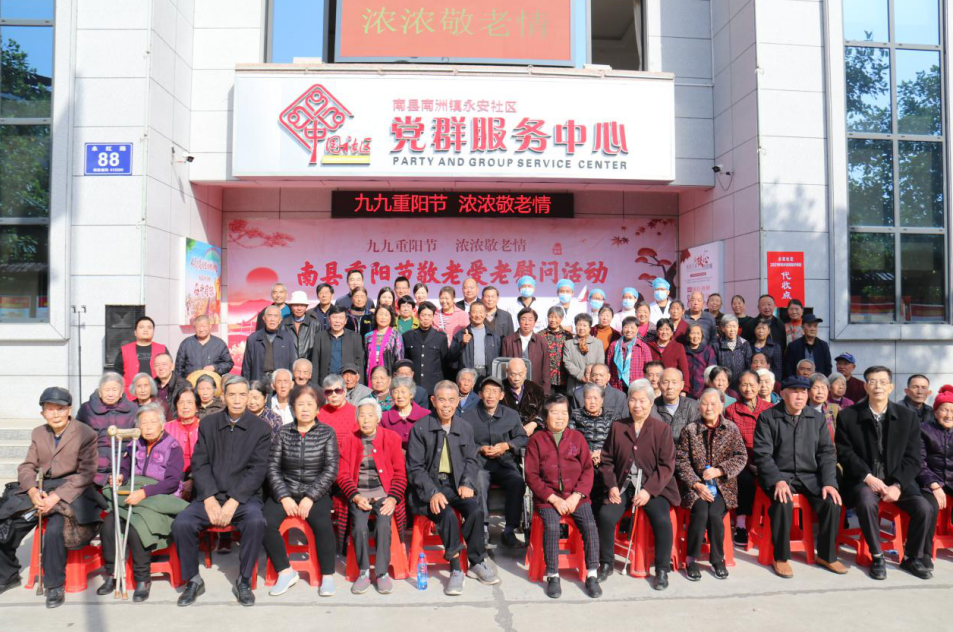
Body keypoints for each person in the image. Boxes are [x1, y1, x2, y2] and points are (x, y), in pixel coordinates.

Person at [171, 377, 271, 607]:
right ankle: (193, 580)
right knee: (182, 524)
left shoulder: (261, 429)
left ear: (249, 397)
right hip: (210, 495)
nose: (237, 400)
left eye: (242, 395)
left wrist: (234, 501)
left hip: (244, 498)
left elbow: (257, 470)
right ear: (223, 397)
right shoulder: (208, 424)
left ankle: (244, 580)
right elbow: (200, 464)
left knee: (256, 522)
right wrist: (208, 499)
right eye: (232, 394)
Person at [0, 387, 100, 608]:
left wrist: (55, 497)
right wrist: (32, 491)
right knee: (6, 523)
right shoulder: (39, 433)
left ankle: (54, 585)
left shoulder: (85, 433)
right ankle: (8, 574)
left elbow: (87, 473)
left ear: (69, 410)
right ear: (42, 413)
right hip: (42, 488)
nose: (55, 414)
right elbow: (27, 466)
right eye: (50, 409)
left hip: (74, 491)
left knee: (55, 530)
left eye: (60, 409)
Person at [836, 366, 934, 580]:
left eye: (882, 382)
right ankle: (877, 556)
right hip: (863, 480)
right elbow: (845, 453)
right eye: (872, 381)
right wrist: (868, 477)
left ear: (890, 387)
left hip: (897, 481)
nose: (877, 386)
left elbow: (913, 458)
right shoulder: (848, 416)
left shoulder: (907, 417)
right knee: (865, 501)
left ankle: (911, 557)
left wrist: (897, 485)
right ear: (865, 387)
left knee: (924, 508)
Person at [405, 380, 501, 594]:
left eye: (451, 400)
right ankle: (456, 568)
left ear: (458, 401)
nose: (446, 405)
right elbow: (415, 468)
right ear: (433, 401)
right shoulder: (420, 428)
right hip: (427, 489)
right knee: (447, 514)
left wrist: (467, 483)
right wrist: (432, 492)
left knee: (475, 510)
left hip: (455, 484)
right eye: (441, 400)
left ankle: (476, 562)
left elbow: (471, 460)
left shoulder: (465, 428)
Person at [752, 375, 845, 578]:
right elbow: (762, 454)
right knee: (783, 501)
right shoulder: (768, 417)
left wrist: (829, 482)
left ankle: (827, 556)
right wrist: (777, 480)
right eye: (794, 392)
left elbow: (827, 452)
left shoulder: (817, 418)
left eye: (803, 392)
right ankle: (781, 557)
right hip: (780, 475)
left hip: (810, 476)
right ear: (783, 394)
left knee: (831, 502)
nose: (800, 396)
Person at [98, 402, 186, 603]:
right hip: (133, 492)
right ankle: (112, 573)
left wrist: (144, 493)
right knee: (109, 524)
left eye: (152, 422)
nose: (148, 427)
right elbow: (125, 467)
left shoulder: (173, 446)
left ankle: (142, 579)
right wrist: (120, 476)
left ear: (162, 425)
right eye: (144, 423)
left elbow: (172, 482)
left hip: (159, 497)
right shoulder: (134, 444)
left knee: (137, 526)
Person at [597, 379, 680, 590]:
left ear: (651, 403)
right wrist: (612, 486)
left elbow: (666, 466)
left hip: (653, 488)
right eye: (633, 400)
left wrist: (648, 491)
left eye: (642, 401)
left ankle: (662, 569)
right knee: (606, 516)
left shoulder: (662, 429)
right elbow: (607, 460)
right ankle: (606, 563)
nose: (637, 405)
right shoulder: (618, 427)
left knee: (662, 520)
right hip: (623, 485)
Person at [524, 394, 602, 599]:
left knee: (590, 525)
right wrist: (553, 498)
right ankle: (553, 575)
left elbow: (587, 470)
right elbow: (531, 475)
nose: (560, 417)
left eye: (564, 413)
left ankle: (592, 574)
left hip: (576, 497)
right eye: (555, 413)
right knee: (551, 527)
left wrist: (576, 496)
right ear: (545, 416)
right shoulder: (536, 440)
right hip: (548, 499)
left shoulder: (577, 438)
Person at [264, 385, 338, 598]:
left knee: (323, 524)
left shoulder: (327, 433)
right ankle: (285, 571)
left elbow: (331, 469)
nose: (305, 409)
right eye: (300, 404)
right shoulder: (283, 432)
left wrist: (310, 497)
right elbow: (272, 467)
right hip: (286, 490)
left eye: (309, 404)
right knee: (264, 522)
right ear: (293, 408)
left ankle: (327, 575)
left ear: (318, 408)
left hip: (316, 493)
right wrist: (283, 496)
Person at [676, 389, 747, 581]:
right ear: (699, 406)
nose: (709, 408)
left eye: (713, 404)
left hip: (722, 487)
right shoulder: (690, 430)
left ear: (721, 405)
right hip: (696, 487)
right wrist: (696, 484)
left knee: (715, 514)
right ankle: (691, 559)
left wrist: (720, 470)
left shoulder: (731, 429)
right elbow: (681, 461)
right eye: (705, 403)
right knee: (700, 513)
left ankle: (717, 559)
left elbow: (741, 456)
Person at [338, 398, 408, 595]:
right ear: (357, 419)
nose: (366, 420)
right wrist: (355, 496)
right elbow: (342, 475)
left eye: (370, 415)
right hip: (359, 494)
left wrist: (392, 498)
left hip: (384, 493)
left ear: (378, 418)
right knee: (359, 527)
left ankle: (382, 573)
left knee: (383, 525)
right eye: (362, 416)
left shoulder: (391, 438)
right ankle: (363, 572)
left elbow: (400, 473)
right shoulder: (349, 440)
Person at [462, 376, 528, 547]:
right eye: (487, 391)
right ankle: (482, 529)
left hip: (505, 463)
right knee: (479, 480)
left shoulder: (511, 415)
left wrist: (507, 445)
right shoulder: (468, 416)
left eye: (494, 392)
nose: (490, 395)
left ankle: (509, 530)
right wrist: (480, 448)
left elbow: (523, 438)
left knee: (517, 481)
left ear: (501, 395)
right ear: (480, 394)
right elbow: (463, 443)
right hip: (480, 464)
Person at [724, 370, 773, 546]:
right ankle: (741, 524)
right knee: (744, 481)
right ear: (738, 387)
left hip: (767, 459)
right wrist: (748, 464)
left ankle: (769, 522)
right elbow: (731, 443)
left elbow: (776, 440)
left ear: (759, 386)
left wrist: (763, 464)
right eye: (744, 384)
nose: (748, 388)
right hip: (741, 460)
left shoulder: (770, 409)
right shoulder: (731, 410)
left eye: (752, 384)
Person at [76, 372, 138, 486]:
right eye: (107, 390)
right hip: (94, 467)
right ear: (100, 392)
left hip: (123, 467)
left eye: (114, 390)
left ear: (121, 392)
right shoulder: (86, 409)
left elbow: (139, 437)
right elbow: (76, 435)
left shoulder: (133, 409)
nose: (110, 394)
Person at [919, 384, 953, 570]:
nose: (948, 415)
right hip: (929, 480)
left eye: (952, 411)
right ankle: (924, 553)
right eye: (944, 410)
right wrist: (934, 484)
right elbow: (919, 461)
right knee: (929, 507)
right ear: (935, 411)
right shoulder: (924, 429)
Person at [569, 383, 619, 506]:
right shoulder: (575, 415)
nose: (592, 402)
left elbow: (617, 441)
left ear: (602, 400)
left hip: (606, 458)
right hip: (583, 459)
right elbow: (571, 440)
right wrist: (588, 454)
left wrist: (601, 454)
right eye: (588, 398)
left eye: (596, 398)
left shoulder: (613, 416)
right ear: (583, 399)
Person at [403, 301, 451, 396]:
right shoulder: (408, 336)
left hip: (434, 386)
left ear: (433, 317)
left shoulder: (440, 337)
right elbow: (406, 360)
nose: (426, 318)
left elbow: (445, 363)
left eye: (429, 315)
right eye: (423, 315)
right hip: (414, 386)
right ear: (418, 316)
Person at [501, 307, 552, 395]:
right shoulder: (508, 340)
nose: (527, 323)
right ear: (519, 321)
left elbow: (546, 370)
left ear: (535, 322)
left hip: (535, 387)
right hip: (512, 387)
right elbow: (503, 368)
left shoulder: (542, 342)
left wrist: (546, 392)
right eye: (523, 319)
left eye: (530, 320)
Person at [311, 305, 365, 387]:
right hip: (326, 384)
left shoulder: (355, 337)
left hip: (348, 384)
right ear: (329, 319)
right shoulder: (319, 337)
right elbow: (315, 364)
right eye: (334, 317)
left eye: (340, 318)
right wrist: (315, 386)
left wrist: (359, 385)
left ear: (345, 320)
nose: (337, 321)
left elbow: (359, 363)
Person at [242, 305, 297, 384]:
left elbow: (292, 363)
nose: (272, 319)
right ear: (264, 318)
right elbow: (246, 366)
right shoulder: (253, 339)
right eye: (269, 316)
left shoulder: (287, 338)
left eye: (275, 316)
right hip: (258, 381)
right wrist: (246, 385)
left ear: (280, 319)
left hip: (280, 382)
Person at [450, 300, 501, 379]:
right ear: (469, 314)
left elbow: (498, 357)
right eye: (474, 312)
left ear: (485, 314)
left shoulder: (493, 336)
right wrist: (462, 344)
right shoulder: (460, 334)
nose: (477, 315)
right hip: (467, 374)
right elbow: (451, 356)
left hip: (487, 373)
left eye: (480, 312)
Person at [166, 388, 202, 499]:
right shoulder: (166, 428)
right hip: (172, 474)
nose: (185, 406)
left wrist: (192, 479)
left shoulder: (205, 427)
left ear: (197, 407)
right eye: (181, 402)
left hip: (199, 474)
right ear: (176, 406)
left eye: (189, 402)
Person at [115, 316, 168, 389]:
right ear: (135, 332)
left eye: (149, 327)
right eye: (142, 327)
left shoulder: (162, 349)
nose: (145, 330)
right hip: (130, 393)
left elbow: (169, 373)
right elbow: (117, 376)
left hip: (157, 393)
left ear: (153, 331)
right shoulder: (124, 350)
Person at [380, 376, 430, 449]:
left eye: (403, 392)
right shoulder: (384, 418)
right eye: (396, 392)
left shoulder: (426, 415)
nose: (400, 396)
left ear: (411, 394)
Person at [652, 368, 700, 442]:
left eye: (674, 382)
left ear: (682, 385)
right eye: (665, 382)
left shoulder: (693, 406)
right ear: (659, 385)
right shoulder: (652, 407)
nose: (670, 387)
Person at [606, 316, 652, 393]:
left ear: (637, 329)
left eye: (632, 327)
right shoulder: (614, 345)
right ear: (622, 329)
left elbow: (649, 369)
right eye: (626, 327)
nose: (629, 330)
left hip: (637, 387)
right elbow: (608, 365)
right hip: (616, 386)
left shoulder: (643, 347)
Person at [563, 314, 606, 394]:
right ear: (575, 326)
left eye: (585, 325)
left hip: (593, 383)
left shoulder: (598, 343)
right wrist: (581, 376)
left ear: (590, 328)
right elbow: (567, 363)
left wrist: (591, 375)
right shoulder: (568, 344)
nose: (581, 328)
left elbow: (600, 362)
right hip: (574, 384)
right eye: (579, 325)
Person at [502, 358, 546, 435]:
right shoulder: (499, 389)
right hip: (506, 434)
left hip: (532, 433)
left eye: (520, 374)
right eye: (513, 374)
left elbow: (543, 412)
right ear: (507, 371)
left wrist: (534, 424)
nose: (517, 378)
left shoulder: (537, 390)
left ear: (526, 371)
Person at [364, 305, 405, 384]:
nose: (383, 317)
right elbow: (365, 358)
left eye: (386, 315)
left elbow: (399, 359)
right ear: (375, 316)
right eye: (380, 314)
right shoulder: (368, 336)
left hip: (389, 376)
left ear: (391, 317)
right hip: (371, 375)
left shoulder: (396, 336)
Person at [782, 314, 831, 379]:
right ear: (802, 328)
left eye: (815, 326)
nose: (813, 329)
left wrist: (822, 382)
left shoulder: (823, 345)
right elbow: (788, 369)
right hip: (798, 382)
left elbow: (828, 368)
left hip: (818, 382)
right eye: (809, 326)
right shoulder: (793, 346)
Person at [646, 319, 690, 388]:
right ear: (657, 332)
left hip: (670, 386)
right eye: (661, 329)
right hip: (652, 385)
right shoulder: (648, 346)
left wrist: (685, 389)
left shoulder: (678, 347)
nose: (664, 332)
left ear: (672, 332)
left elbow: (684, 370)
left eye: (667, 329)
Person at [317, 374, 358, 447]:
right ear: (324, 395)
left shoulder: (356, 412)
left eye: (338, 391)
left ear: (345, 391)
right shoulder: (319, 413)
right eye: (329, 392)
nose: (334, 395)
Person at [714, 315, 752, 389]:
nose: (732, 330)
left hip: (741, 384)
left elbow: (749, 364)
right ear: (723, 328)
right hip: (723, 384)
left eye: (734, 326)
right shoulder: (717, 345)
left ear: (738, 327)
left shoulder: (744, 344)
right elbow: (715, 367)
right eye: (729, 327)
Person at [280, 291, 319, 360]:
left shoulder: (314, 323)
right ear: (291, 306)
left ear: (306, 307)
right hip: (290, 363)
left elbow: (318, 348)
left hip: (308, 364)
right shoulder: (283, 324)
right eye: (296, 305)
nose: (299, 308)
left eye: (302, 305)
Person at [541, 306, 571, 393]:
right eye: (550, 317)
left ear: (561, 319)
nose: (553, 320)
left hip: (564, 378)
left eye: (556, 317)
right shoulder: (541, 335)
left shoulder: (567, 335)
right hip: (547, 378)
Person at [684, 323, 716, 399]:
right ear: (688, 335)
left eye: (698, 333)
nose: (696, 336)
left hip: (703, 391)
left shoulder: (708, 351)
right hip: (686, 391)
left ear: (702, 335)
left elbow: (712, 372)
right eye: (692, 333)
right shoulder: (683, 350)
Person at [809, 374, 838, 440]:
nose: (820, 392)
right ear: (808, 391)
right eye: (816, 388)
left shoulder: (835, 409)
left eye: (823, 388)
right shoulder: (801, 410)